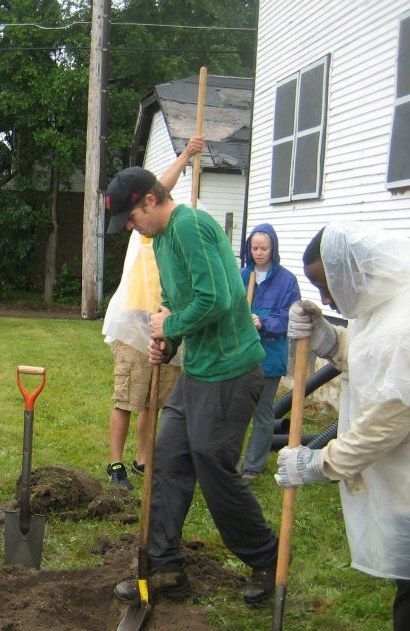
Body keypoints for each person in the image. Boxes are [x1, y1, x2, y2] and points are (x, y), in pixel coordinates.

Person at [277, 223, 410, 631]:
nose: (325, 296)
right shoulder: (389, 298)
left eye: (328, 286)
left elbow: (385, 423)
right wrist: (332, 340)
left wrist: (320, 462)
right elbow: (372, 357)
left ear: (355, 271)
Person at [105, 165, 279, 606]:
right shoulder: (160, 239)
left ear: (149, 200)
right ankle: (165, 568)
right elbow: (180, 303)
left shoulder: (190, 227)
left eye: (130, 217)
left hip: (231, 369)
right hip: (199, 368)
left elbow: (218, 299)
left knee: (212, 464)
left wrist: (172, 323)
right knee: (168, 458)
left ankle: (268, 558)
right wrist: (169, 341)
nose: (130, 226)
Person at [102, 138, 202, 490]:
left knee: (155, 400)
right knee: (128, 395)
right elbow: (160, 187)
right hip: (134, 321)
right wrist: (186, 156)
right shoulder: (143, 228)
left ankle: (144, 458)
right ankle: (115, 464)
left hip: (170, 320)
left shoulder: (172, 233)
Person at [239, 224, 301, 479]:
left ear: (273, 249)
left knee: (262, 411)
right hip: (242, 356)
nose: (259, 253)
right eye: (254, 248)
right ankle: (230, 459)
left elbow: (290, 316)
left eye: (264, 248)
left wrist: (263, 322)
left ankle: (253, 463)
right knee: (238, 410)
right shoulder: (242, 275)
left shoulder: (287, 281)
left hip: (269, 357)